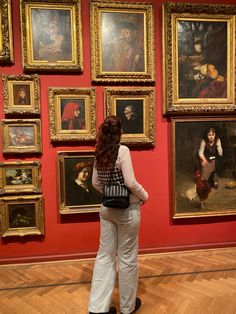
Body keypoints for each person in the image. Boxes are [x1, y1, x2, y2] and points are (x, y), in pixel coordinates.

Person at [88, 115, 148, 314]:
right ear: (119, 132)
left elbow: (96, 183)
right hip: (127, 210)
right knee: (127, 259)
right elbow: (130, 182)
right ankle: (127, 308)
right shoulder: (122, 150)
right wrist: (144, 195)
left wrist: (109, 193)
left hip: (106, 210)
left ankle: (97, 309)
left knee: (104, 257)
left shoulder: (99, 152)